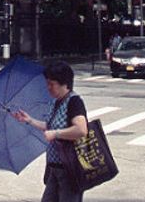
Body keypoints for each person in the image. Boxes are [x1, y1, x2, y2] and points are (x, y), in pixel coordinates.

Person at [12, 61, 88, 202]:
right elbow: (50, 126)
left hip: (69, 170)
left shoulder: (74, 102)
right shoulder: (57, 101)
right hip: (55, 168)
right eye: (47, 83)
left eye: (51, 84)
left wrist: (56, 134)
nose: (48, 88)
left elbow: (81, 130)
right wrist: (29, 120)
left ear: (64, 83)